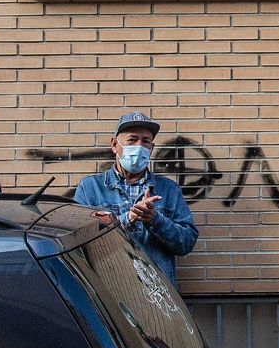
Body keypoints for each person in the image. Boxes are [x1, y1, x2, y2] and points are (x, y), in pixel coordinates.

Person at [73, 109, 198, 286]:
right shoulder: (90, 188)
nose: (139, 147)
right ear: (115, 145)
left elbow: (186, 243)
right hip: (110, 293)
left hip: (158, 294)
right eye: (132, 140)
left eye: (145, 141)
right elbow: (79, 242)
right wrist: (127, 220)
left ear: (151, 148)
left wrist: (155, 220)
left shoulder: (169, 190)